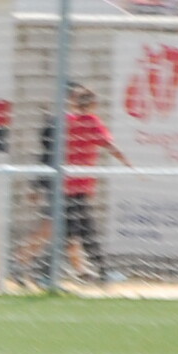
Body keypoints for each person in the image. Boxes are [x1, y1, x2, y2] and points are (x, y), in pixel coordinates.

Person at [48, 81, 130, 289]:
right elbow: (109, 145)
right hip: (79, 187)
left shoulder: (66, 121)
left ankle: (60, 272)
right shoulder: (92, 122)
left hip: (63, 184)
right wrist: (127, 163)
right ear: (93, 104)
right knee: (85, 231)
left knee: (70, 232)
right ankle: (101, 271)